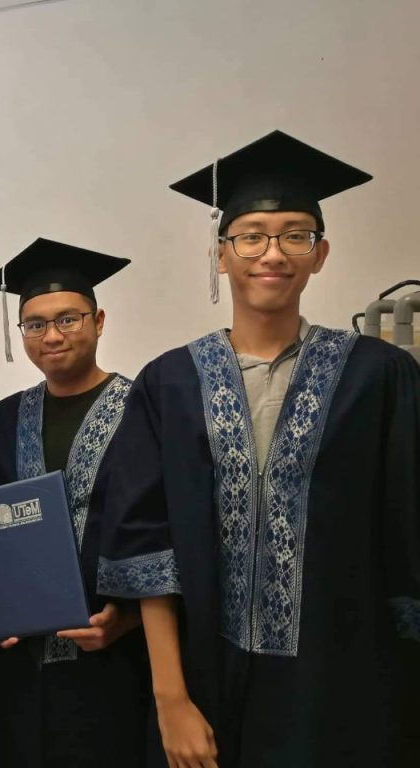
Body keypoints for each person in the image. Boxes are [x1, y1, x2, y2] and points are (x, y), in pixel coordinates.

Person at [98, 130, 420, 767]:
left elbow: (405, 532)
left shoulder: (379, 377)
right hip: (203, 678)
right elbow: (146, 545)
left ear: (319, 254)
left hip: (342, 681)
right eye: (251, 236)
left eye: (295, 235)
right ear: (220, 254)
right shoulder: (169, 383)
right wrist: (170, 699)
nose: (272, 253)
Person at [0, 237, 149, 766]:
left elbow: (173, 533)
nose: (51, 336)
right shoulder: (2, 419)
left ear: (99, 321)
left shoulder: (146, 410)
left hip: (115, 662)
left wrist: (128, 617)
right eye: (35, 324)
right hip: (21, 669)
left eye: (68, 319)